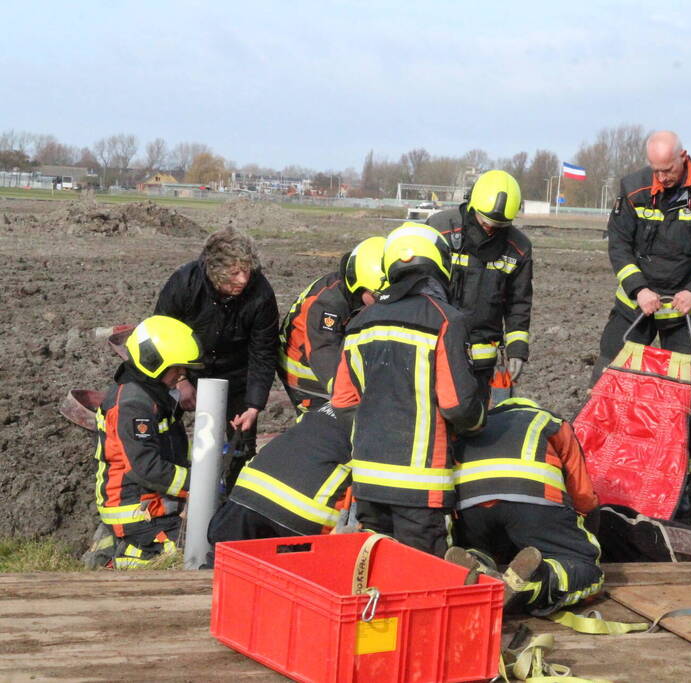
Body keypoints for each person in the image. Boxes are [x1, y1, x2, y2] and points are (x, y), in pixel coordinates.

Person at [595, 130, 691, 488]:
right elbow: (619, 245)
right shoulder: (632, 189)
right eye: (656, 170)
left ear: (683, 157)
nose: (662, 177)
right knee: (611, 374)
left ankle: (687, 457)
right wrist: (638, 288)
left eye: (668, 170)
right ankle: (605, 451)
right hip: (637, 306)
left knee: (686, 387)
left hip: (687, 312)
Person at [332, 222, 485, 557]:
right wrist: (478, 423)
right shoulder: (447, 319)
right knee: (422, 579)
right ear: (440, 265)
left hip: (369, 480)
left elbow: (343, 401)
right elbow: (458, 406)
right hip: (420, 487)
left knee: (378, 571)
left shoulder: (360, 322)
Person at [446, 398, 602, 614]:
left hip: (469, 508)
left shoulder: (473, 424)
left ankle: (478, 563)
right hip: (534, 500)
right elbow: (583, 497)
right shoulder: (551, 421)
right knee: (586, 567)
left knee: (482, 546)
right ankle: (533, 584)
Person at [154, 226, 279, 484]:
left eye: (247, 271)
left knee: (242, 444)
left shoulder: (261, 293)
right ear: (214, 271)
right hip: (183, 368)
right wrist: (180, 381)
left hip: (235, 374)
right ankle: (169, 485)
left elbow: (263, 352)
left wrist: (254, 405)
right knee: (159, 426)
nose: (243, 280)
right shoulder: (184, 283)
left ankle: (234, 496)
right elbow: (161, 335)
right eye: (234, 273)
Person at [92, 316, 203, 568]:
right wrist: (198, 483)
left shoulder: (153, 394)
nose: (182, 374)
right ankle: (126, 558)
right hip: (137, 511)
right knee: (195, 555)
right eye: (177, 368)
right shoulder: (133, 404)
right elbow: (146, 468)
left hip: (154, 505)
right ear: (154, 362)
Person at [427, 170, 532, 405]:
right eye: (486, 222)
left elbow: (519, 303)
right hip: (435, 352)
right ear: (472, 204)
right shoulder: (440, 229)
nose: (490, 229)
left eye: (499, 225)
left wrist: (516, 350)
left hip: (481, 362)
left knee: (474, 424)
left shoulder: (518, 248)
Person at [207, 402, 353, 546]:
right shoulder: (371, 418)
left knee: (224, 559)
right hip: (304, 513)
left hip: (249, 493)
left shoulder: (328, 406)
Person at [277, 236, 386, 416]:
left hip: (334, 363)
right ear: (360, 286)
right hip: (307, 377)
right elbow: (323, 351)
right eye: (377, 296)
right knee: (324, 425)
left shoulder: (365, 296)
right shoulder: (327, 304)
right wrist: (350, 394)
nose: (382, 302)